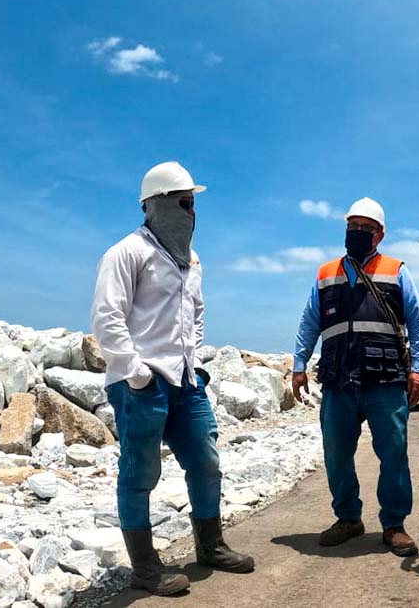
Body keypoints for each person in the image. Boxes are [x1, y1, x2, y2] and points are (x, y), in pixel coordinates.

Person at [91, 161, 254, 596]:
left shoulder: (190, 260)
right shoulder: (127, 252)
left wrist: (194, 360)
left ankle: (211, 546)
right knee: (140, 472)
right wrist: (137, 372)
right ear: (156, 205)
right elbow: (107, 317)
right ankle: (145, 569)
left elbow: (195, 314)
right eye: (184, 202)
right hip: (141, 383)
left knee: (206, 461)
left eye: (194, 203)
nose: (192, 212)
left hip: (185, 380)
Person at [292, 197, 419, 557]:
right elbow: (310, 321)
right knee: (336, 452)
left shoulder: (396, 269)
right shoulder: (325, 274)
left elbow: (417, 323)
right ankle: (348, 518)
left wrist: (418, 370)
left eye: (364, 229)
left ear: (379, 234)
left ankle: (395, 524)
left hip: (384, 379)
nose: (355, 233)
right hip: (338, 379)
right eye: (351, 227)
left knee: (393, 452)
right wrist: (298, 364)